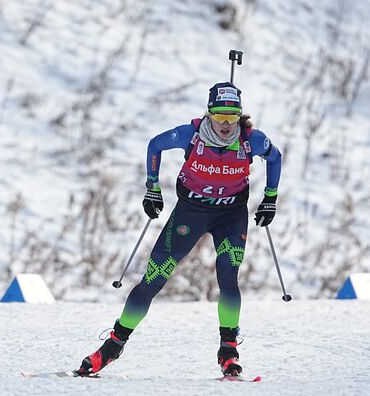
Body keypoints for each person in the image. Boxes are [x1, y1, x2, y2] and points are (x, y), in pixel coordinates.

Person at [77, 82, 282, 377]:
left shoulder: (252, 141)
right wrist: (152, 188)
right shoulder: (191, 134)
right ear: (209, 113)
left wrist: (270, 199)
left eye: (232, 117)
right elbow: (155, 145)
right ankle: (112, 346)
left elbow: (275, 158)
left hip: (230, 215)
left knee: (228, 276)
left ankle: (229, 350)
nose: (226, 124)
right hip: (191, 213)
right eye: (219, 116)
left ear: (239, 115)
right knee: (153, 279)